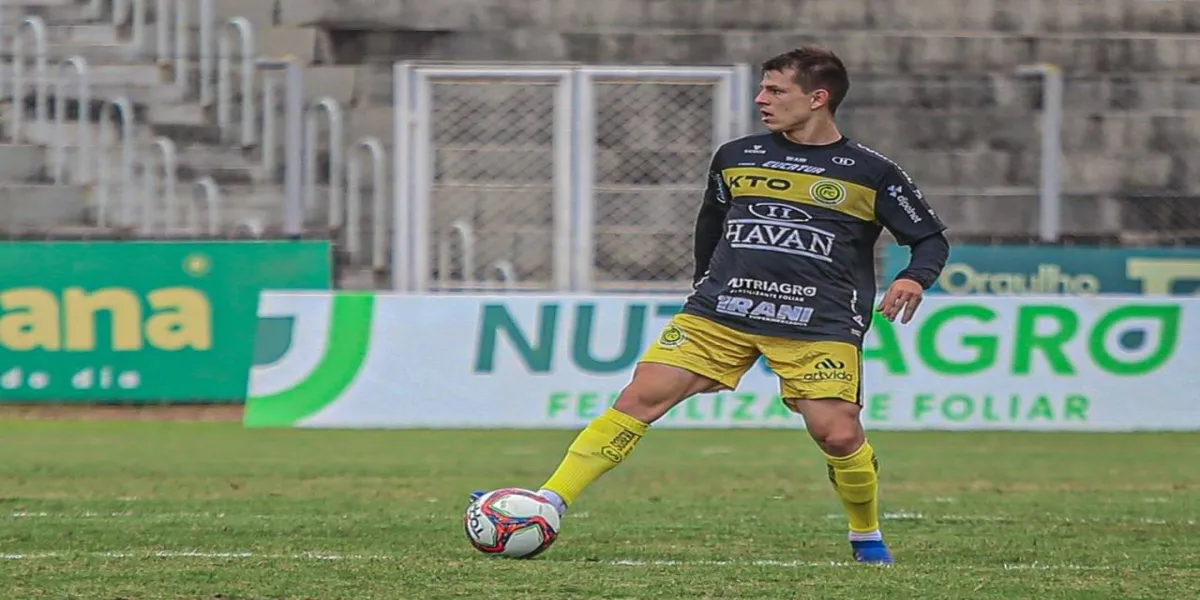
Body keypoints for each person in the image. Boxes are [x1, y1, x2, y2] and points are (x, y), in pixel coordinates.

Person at [472, 45, 950, 564]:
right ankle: (550, 501)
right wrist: (703, 281)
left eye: (775, 90)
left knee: (837, 434)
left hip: (818, 321)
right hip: (722, 311)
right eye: (762, 88)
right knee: (640, 397)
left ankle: (865, 532)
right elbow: (711, 221)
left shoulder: (872, 172)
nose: (761, 99)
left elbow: (929, 240)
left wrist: (914, 277)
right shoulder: (736, 156)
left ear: (818, 98)